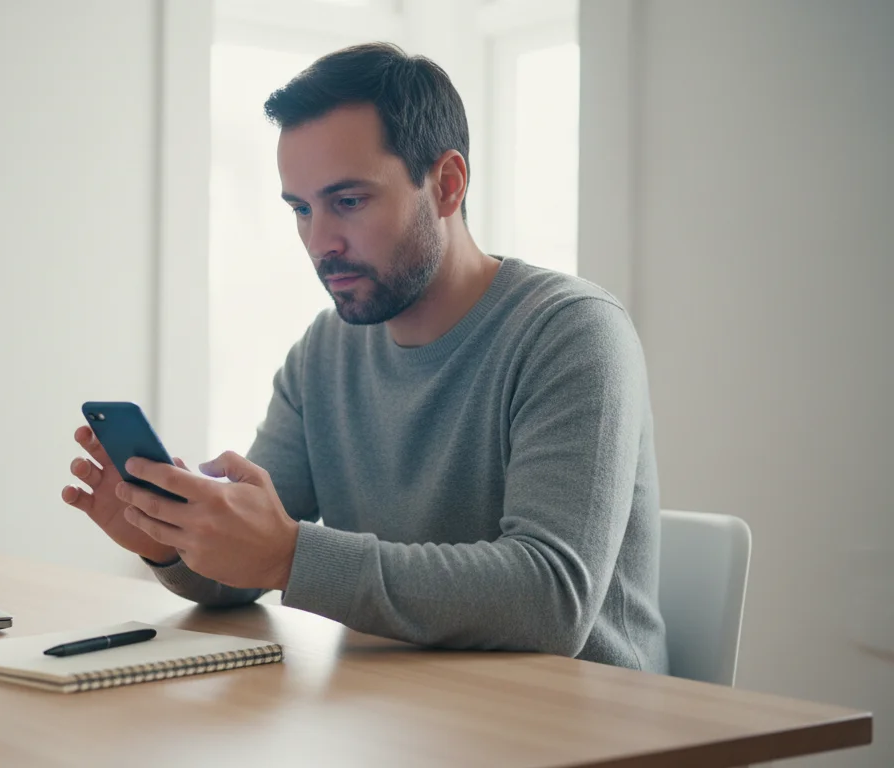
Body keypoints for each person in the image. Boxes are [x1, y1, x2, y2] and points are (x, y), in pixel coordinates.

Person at [61, 42, 667, 672]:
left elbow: (551, 602)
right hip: (400, 717)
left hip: (587, 727)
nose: (320, 242)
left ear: (448, 185)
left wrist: (291, 556)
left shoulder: (570, 333)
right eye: (301, 209)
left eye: (348, 201)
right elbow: (248, 566)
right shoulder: (322, 355)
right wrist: (168, 543)